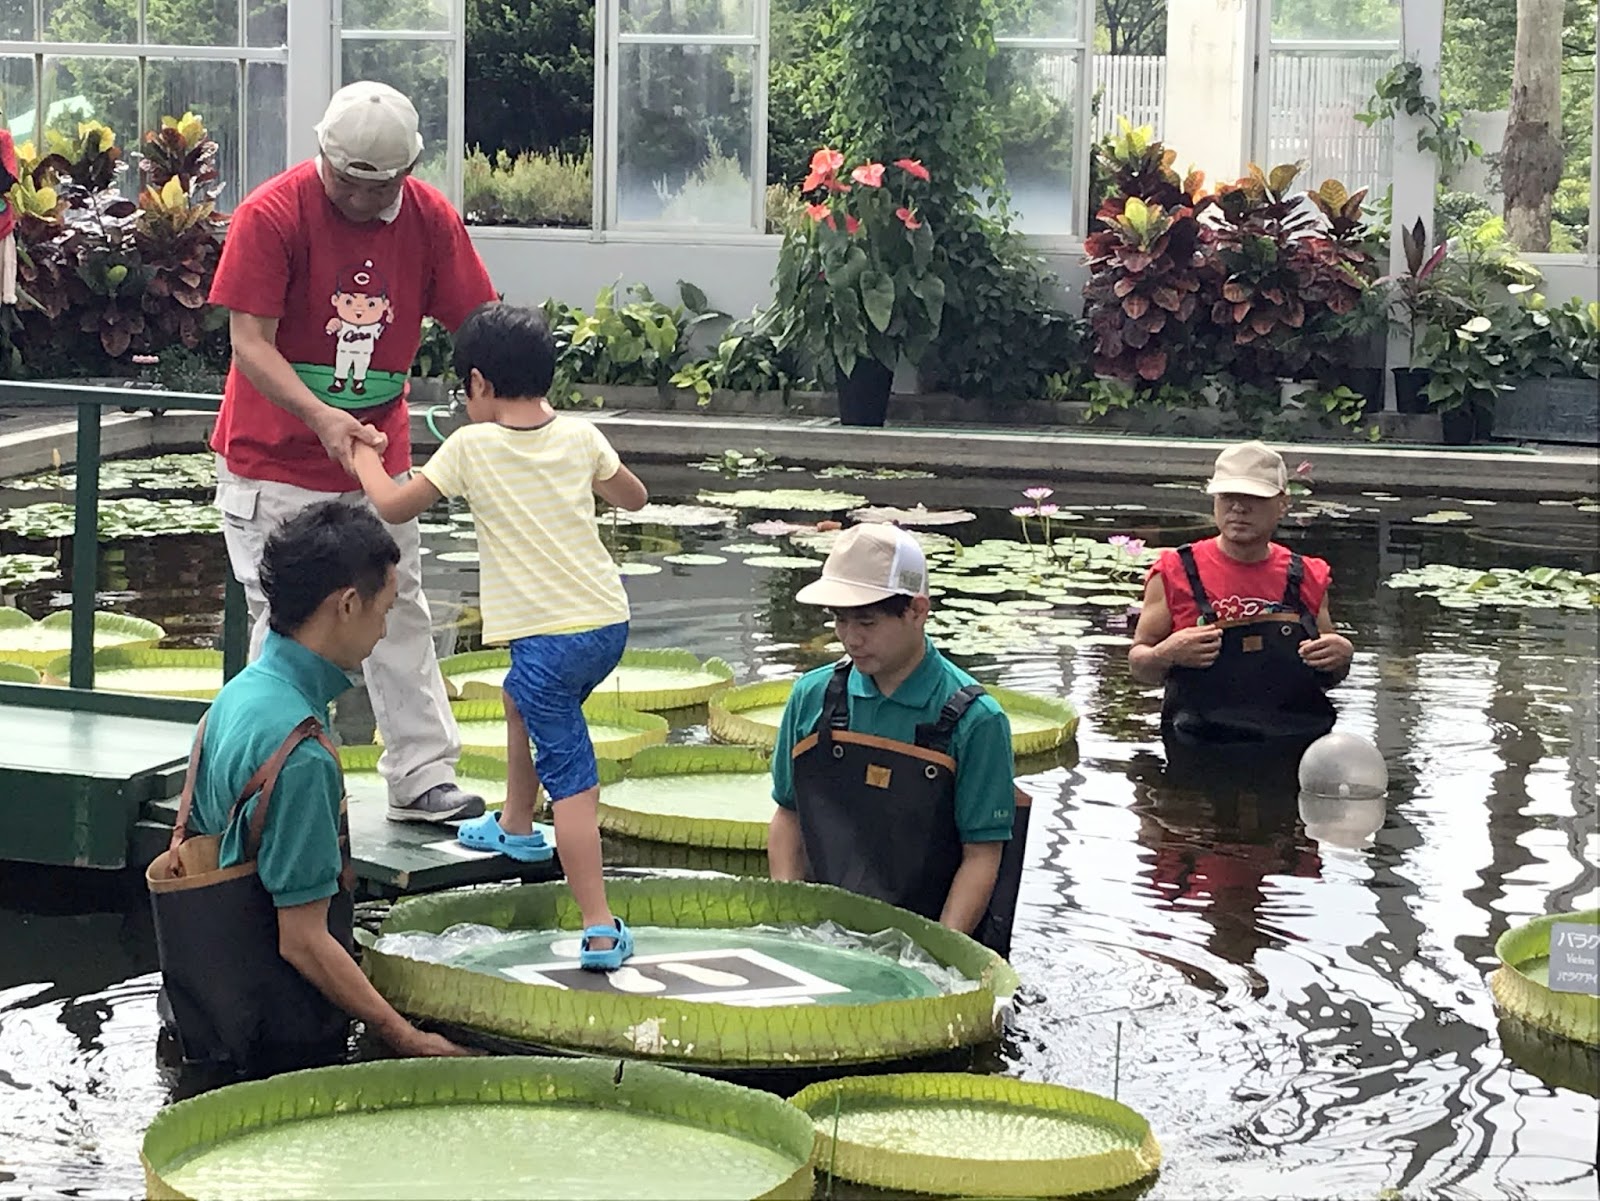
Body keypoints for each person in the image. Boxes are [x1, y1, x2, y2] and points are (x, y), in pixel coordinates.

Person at [207, 80, 498, 824]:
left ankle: (422, 774)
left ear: (405, 175)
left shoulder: (429, 220)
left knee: (397, 607)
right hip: (272, 458)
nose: (359, 199)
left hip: (376, 455)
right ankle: (273, 784)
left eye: (377, 187)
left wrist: (504, 400)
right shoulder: (271, 213)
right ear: (322, 156)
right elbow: (249, 343)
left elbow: (479, 321)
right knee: (287, 624)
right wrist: (322, 416)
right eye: (345, 181)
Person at [350, 302, 650, 971]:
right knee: (521, 696)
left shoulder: (470, 446)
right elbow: (633, 497)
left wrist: (360, 456)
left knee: (571, 777)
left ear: (480, 385)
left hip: (549, 641)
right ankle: (516, 825)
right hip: (606, 621)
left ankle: (598, 923)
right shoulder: (580, 435)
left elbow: (393, 505)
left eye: (464, 390)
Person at [147, 502, 467, 1077]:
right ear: (347, 605)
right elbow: (302, 940)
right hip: (274, 1045)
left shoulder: (238, 696)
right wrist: (406, 1036)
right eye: (384, 609)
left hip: (202, 1020)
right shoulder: (302, 755)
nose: (385, 629)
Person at [767, 523, 1027, 955]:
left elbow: (982, 855)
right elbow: (787, 816)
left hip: (930, 940)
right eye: (840, 620)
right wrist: (790, 921)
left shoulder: (976, 720)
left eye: (867, 622)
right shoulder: (810, 697)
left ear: (917, 611)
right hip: (822, 939)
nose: (851, 638)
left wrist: (936, 958)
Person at [1129, 440, 1355, 751]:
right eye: (1227, 496)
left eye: (1253, 497)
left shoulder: (1308, 575)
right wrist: (1165, 654)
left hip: (1294, 743)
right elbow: (1139, 664)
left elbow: (1330, 673)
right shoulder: (1174, 570)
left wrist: (1342, 656)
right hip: (1198, 746)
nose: (1238, 508)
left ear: (1283, 504)